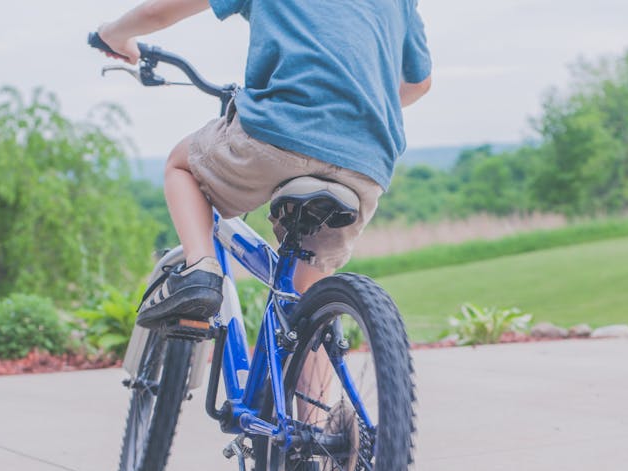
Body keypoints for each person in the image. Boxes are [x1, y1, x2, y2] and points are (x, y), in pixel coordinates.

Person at [96, 0, 432, 326]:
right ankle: (311, 382)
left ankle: (200, 270)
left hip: (280, 132)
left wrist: (114, 34)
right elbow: (419, 83)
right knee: (310, 306)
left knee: (181, 165)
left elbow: (157, 11)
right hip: (366, 159)